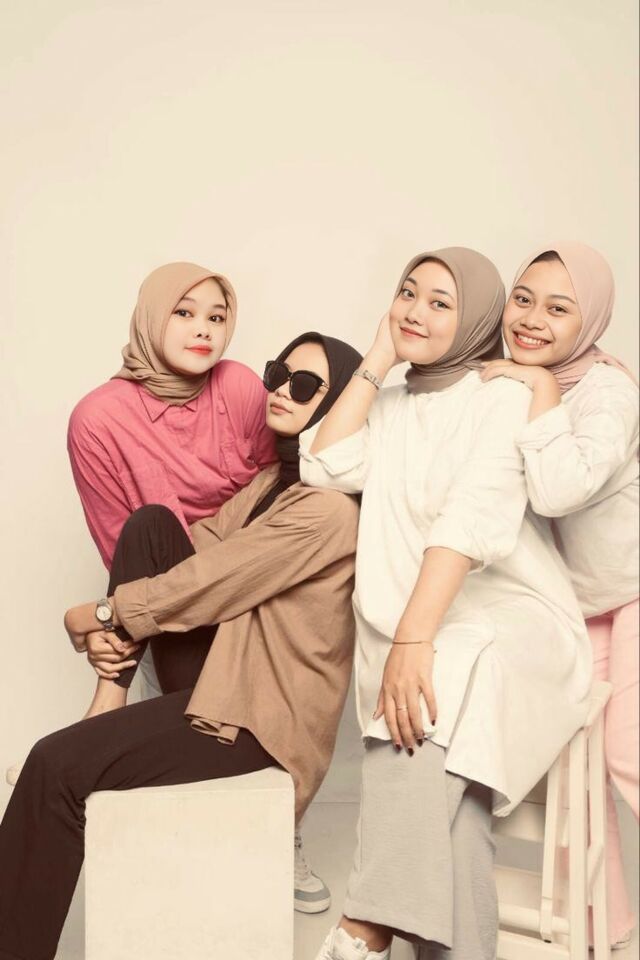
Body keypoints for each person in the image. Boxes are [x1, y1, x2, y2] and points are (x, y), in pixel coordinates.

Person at [0, 333, 363, 960]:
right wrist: (127, 614)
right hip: (220, 678)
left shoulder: (329, 510)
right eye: (277, 373)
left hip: (256, 719)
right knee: (152, 527)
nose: (281, 389)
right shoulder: (273, 482)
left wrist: (104, 613)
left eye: (305, 385)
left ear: (343, 407)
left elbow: (215, 581)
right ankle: (109, 697)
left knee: (55, 764)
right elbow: (196, 554)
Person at [299, 248, 592, 960]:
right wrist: (378, 357)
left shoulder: (500, 396)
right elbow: (322, 464)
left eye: (440, 303)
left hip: (512, 626)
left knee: (438, 680)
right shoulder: (391, 405)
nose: (415, 312)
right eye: (407, 293)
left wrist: (414, 642)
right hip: (418, 632)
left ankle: (364, 923)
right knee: (453, 810)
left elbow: (469, 519)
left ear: (477, 320)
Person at [481, 242, 639, 950]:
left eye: (558, 307)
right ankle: (605, 925)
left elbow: (557, 489)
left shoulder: (606, 391)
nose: (532, 319)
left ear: (590, 320)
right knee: (577, 771)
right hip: (578, 604)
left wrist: (538, 390)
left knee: (629, 754)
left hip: (634, 590)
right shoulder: (512, 380)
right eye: (523, 299)